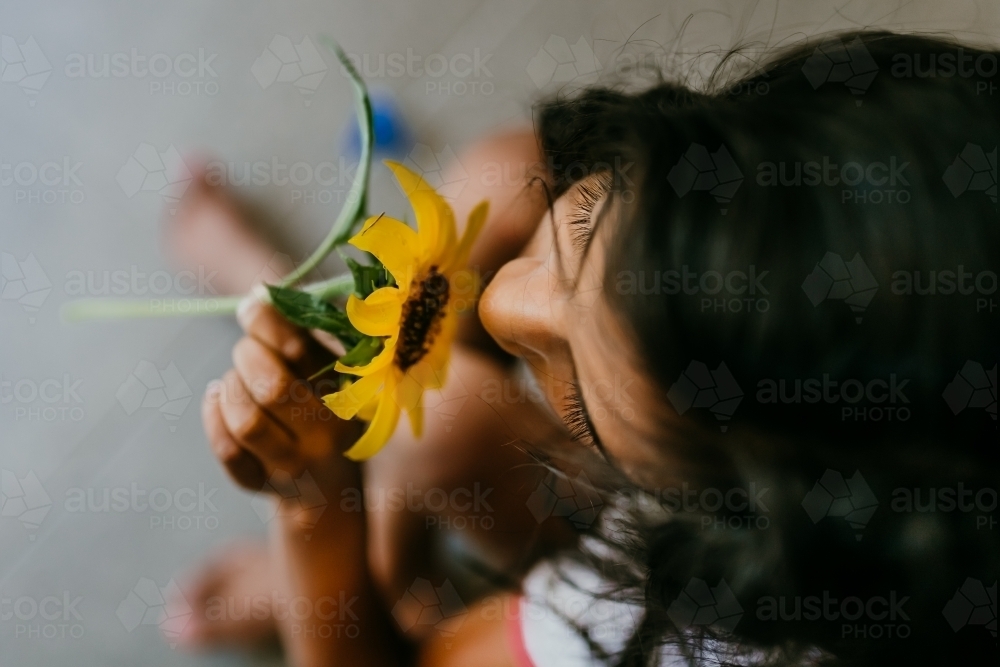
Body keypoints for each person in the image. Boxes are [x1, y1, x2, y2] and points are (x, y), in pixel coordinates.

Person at [167, 31, 998, 666]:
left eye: (580, 406)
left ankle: (374, 595)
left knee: (435, 423)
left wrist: (317, 510)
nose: (492, 308)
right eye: (587, 225)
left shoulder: (683, 630)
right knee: (504, 176)